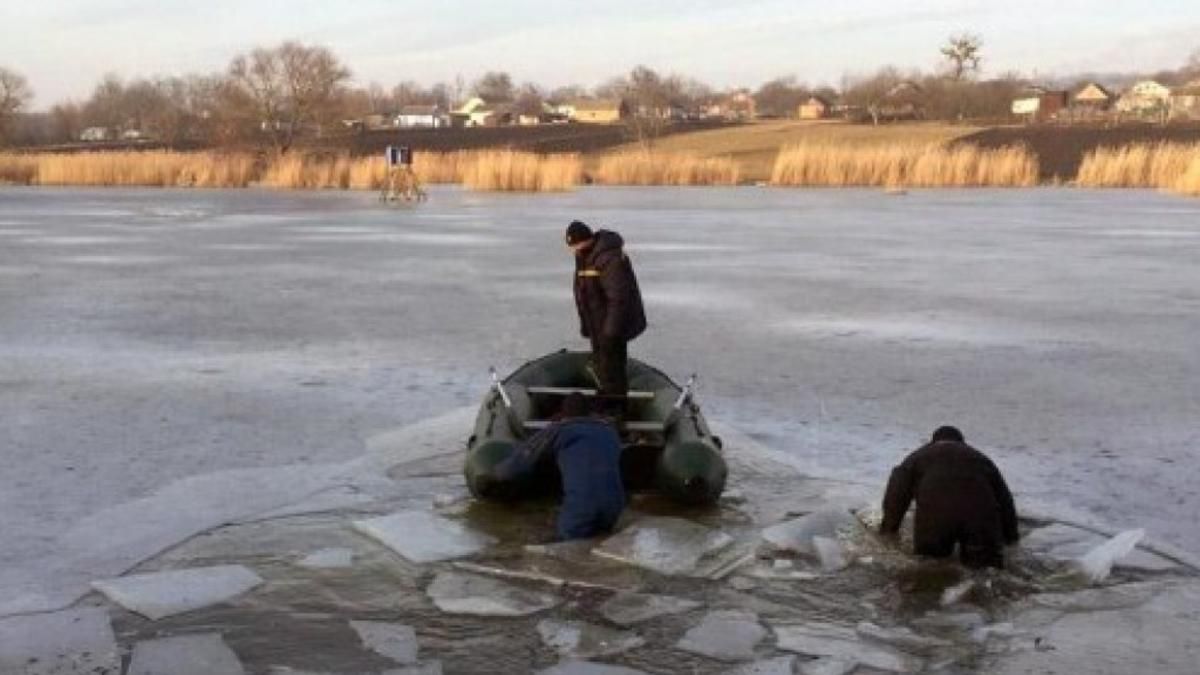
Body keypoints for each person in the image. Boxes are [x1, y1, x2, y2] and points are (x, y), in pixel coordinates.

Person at [879, 425, 1019, 569]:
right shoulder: (981, 459)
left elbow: (896, 494)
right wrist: (1012, 538)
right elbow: (1006, 501)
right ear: (962, 442)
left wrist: (888, 530)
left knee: (930, 566)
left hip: (935, 516)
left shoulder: (917, 457)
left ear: (932, 442)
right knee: (986, 571)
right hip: (980, 516)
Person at [494, 393, 626, 541]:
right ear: (590, 412)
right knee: (599, 538)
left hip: (583, 506)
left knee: (566, 542)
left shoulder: (561, 430)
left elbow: (524, 457)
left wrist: (499, 473)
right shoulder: (609, 431)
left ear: (564, 413)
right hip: (614, 506)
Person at [565, 220, 646, 414]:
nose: (573, 250)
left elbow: (618, 298)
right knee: (602, 364)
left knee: (613, 365)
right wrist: (586, 324)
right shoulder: (583, 256)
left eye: (575, 245)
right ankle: (606, 399)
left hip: (612, 324)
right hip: (596, 321)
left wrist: (610, 332)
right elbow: (583, 291)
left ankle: (616, 407)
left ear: (585, 240)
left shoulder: (609, 258)